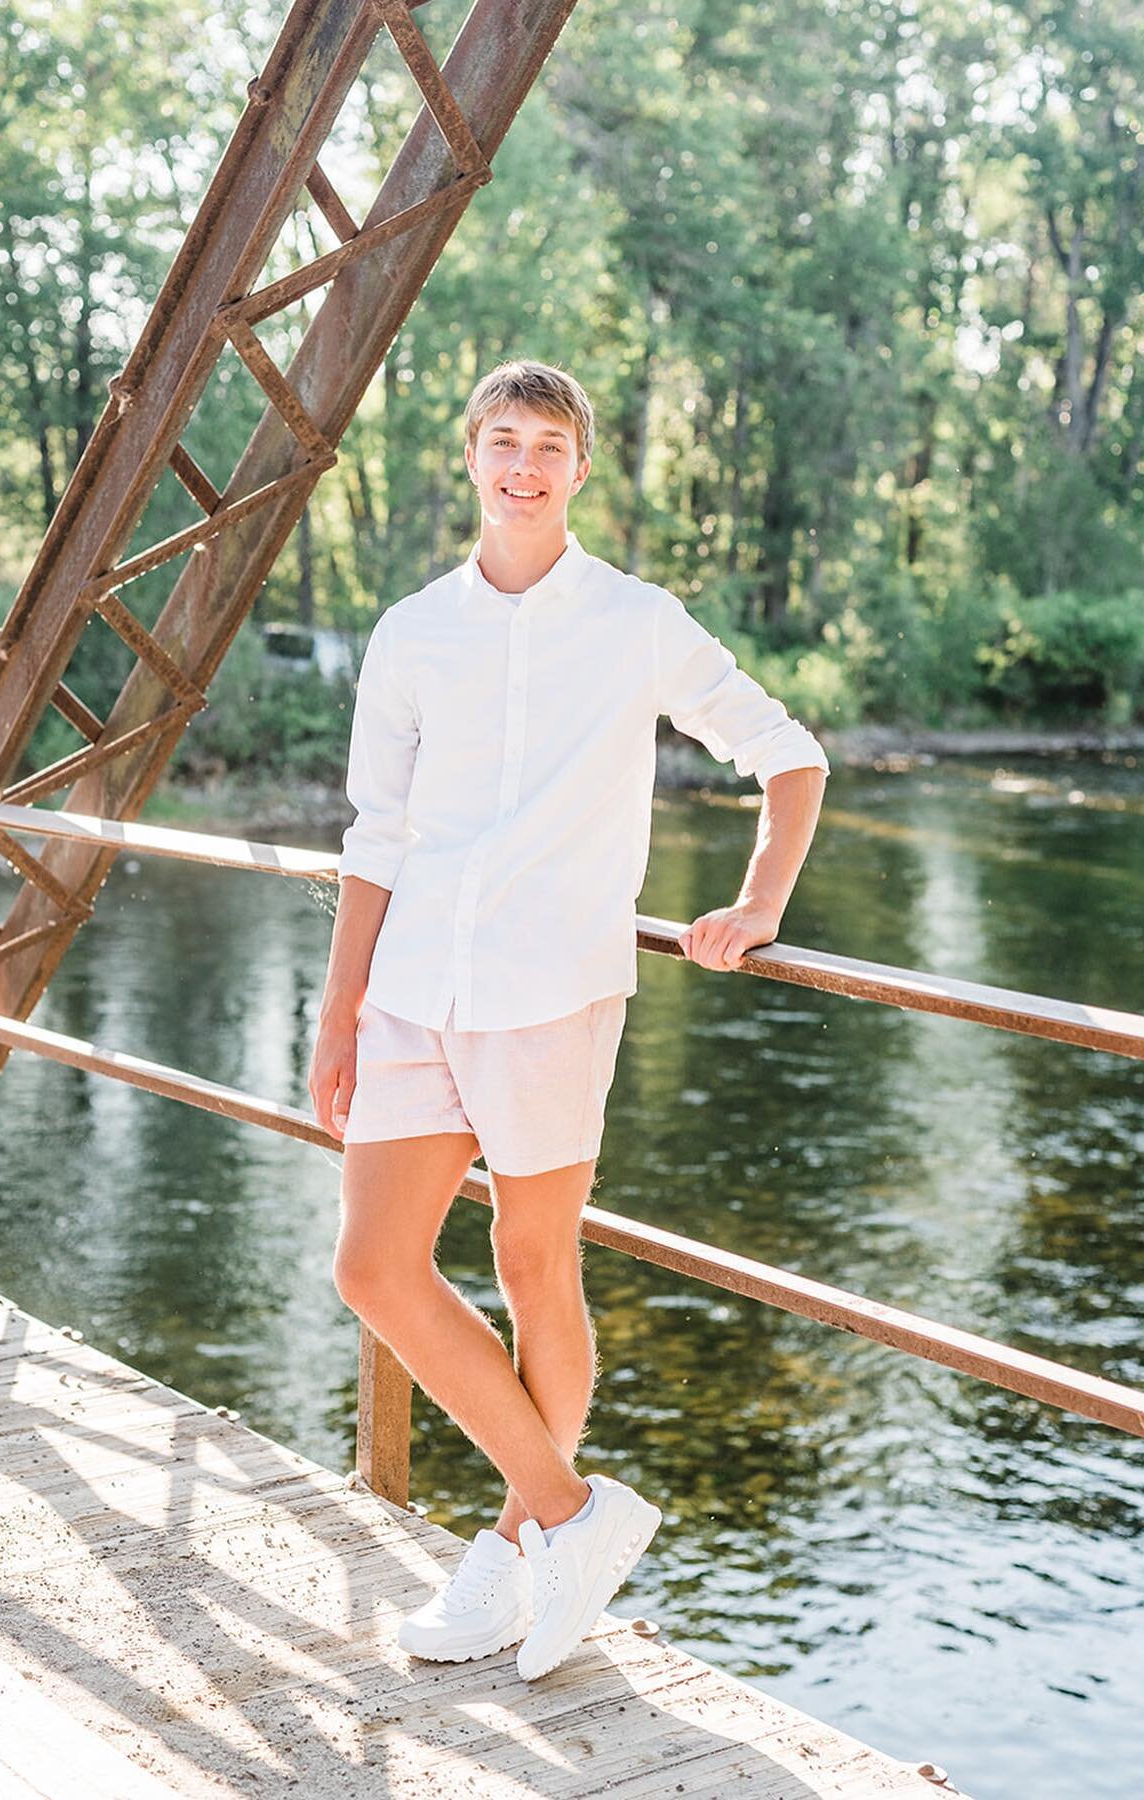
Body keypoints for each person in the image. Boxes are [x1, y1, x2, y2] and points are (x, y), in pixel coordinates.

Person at [307, 359, 828, 1681]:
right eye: (503, 441)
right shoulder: (413, 630)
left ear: (580, 469)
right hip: (417, 988)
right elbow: (375, 835)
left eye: (549, 444)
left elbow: (789, 754)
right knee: (373, 1268)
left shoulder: (639, 621)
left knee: (537, 1273)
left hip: (553, 992)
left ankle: (510, 1550)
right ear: (471, 459)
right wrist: (339, 1013)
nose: (524, 465)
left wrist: (757, 901)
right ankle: (572, 1515)